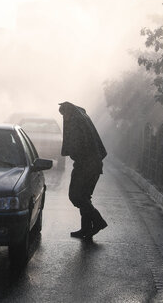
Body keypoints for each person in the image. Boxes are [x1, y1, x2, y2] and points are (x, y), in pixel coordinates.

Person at [59, 101, 108, 240]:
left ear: (69, 113)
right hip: (93, 165)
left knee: (76, 196)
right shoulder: (82, 120)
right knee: (84, 197)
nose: (64, 119)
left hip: (86, 166)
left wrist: (73, 154)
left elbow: (77, 147)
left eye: (64, 115)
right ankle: (86, 228)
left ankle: (98, 221)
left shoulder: (76, 124)